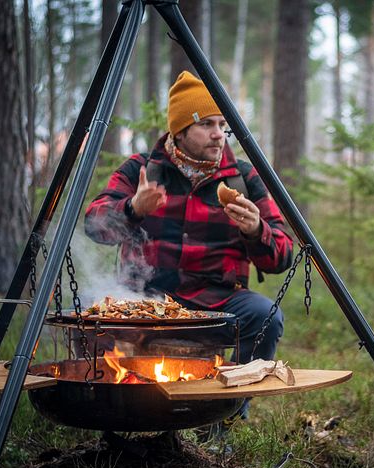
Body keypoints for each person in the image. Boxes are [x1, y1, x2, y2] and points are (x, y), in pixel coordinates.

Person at [85, 71, 294, 420]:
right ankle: (115, 416)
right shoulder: (142, 170)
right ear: (179, 130)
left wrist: (256, 231)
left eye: (222, 125)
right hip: (145, 300)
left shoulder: (243, 177)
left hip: (217, 300)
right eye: (207, 125)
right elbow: (94, 225)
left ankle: (224, 417)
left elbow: (282, 255)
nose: (219, 135)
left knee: (265, 317)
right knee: (90, 322)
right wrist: (133, 209)